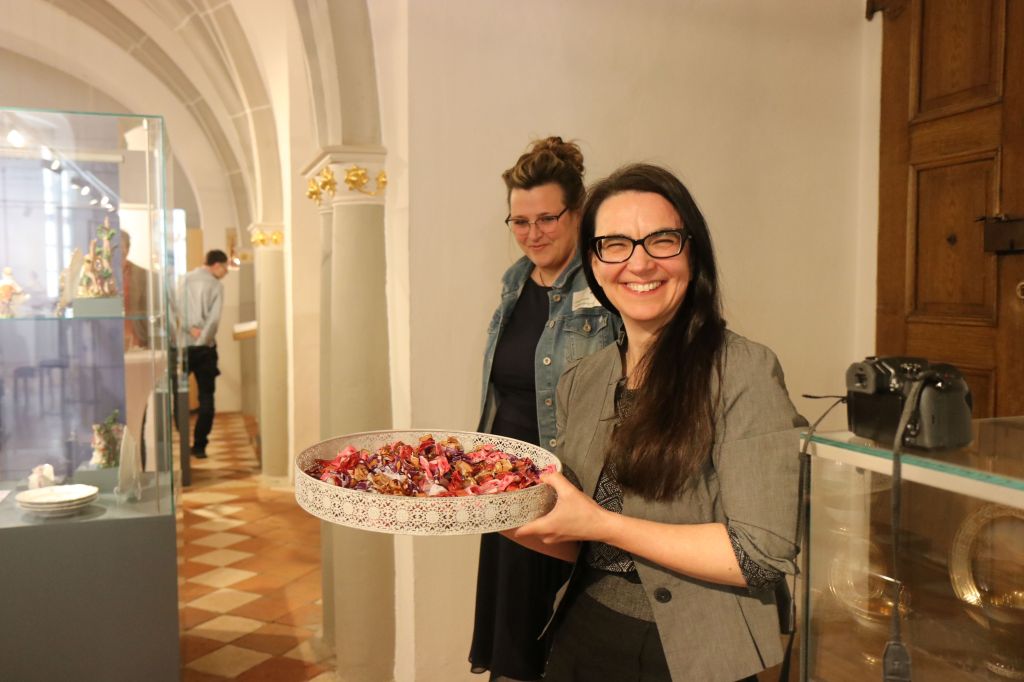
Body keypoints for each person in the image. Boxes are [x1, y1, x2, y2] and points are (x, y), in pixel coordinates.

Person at [511, 164, 806, 682]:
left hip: (693, 651)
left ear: (692, 252)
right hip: (582, 630)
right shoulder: (581, 379)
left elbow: (760, 556)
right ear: (593, 261)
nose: (639, 263)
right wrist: (481, 510)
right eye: (616, 244)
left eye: (661, 240)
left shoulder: (743, 370)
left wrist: (603, 524)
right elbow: (575, 538)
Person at [469, 137, 620, 682]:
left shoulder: (607, 284)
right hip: (505, 483)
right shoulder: (514, 282)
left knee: (560, 645)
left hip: (569, 485)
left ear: (578, 212)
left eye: (547, 218)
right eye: (519, 221)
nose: (532, 234)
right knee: (514, 646)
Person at [183, 249, 229, 459]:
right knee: (206, 398)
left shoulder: (185, 280)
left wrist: (188, 328)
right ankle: (199, 445)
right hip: (205, 348)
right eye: (225, 266)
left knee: (178, 397)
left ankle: (182, 444)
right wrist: (202, 340)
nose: (226, 271)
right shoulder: (216, 285)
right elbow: (213, 320)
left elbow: (175, 308)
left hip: (183, 345)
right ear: (217, 265)